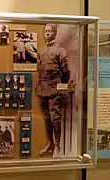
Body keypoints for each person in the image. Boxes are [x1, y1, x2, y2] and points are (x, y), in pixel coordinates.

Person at [37, 24, 71, 157]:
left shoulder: (60, 51)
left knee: (55, 118)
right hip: (43, 90)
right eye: (45, 31)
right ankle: (50, 143)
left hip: (54, 91)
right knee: (46, 119)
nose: (47, 33)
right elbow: (39, 71)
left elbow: (66, 72)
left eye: (50, 31)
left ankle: (57, 145)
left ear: (55, 33)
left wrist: (61, 85)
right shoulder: (41, 51)